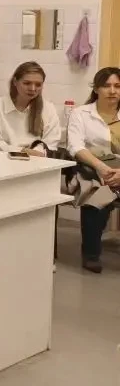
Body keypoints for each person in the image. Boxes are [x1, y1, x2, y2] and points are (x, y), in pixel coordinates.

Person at [66, 66, 120, 273]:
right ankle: (91, 254)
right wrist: (101, 167)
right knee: (97, 197)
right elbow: (75, 146)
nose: (112, 91)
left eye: (117, 86)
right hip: (92, 169)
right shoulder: (81, 114)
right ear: (96, 88)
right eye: (106, 86)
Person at [0, 61, 60, 155]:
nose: (33, 89)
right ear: (15, 82)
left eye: (38, 85)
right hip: (3, 160)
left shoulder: (48, 109)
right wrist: (23, 151)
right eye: (27, 83)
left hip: (38, 159)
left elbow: (51, 142)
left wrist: (36, 152)